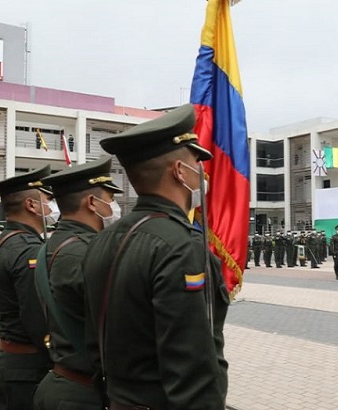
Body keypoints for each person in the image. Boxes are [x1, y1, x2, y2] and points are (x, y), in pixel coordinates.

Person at [83, 104, 229, 409]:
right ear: (179, 171)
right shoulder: (182, 246)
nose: (203, 172)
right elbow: (192, 369)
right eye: (196, 164)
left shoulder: (102, 240)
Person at [31, 158, 124, 410]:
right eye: (111, 198)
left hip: (61, 381)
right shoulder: (84, 253)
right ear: (92, 203)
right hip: (80, 393)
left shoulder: (51, 245)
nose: (114, 207)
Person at [0, 165, 55, 410]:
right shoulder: (28, 250)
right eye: (47, 200)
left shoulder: (3, 242)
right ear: (31, 205)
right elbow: (36, 316)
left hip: (10, 361)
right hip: (28, 368)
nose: (51, 207)